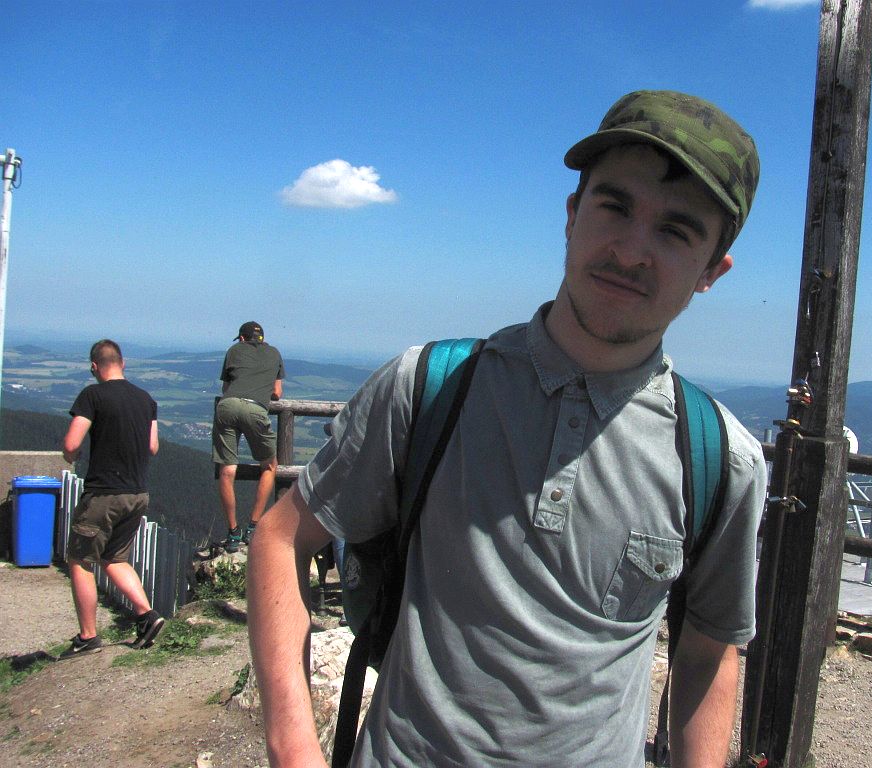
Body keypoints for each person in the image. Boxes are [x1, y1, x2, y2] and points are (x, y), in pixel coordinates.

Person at [248, 90, 767, 767]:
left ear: (711, 272)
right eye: (614, 206)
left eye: (676, 231)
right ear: (572, 215)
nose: (632, 250)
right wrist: (293, 749)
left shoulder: (720, 461)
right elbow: (283, 537)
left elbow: (709, 652)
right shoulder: (429, 387)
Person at [61, 339, 165, 656]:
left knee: (80, 560)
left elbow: (71, 444)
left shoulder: (92, 395)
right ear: (123, 363)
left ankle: (88, 636)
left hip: (103, 494)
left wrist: (72, 456)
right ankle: (147, 616)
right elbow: (152, 447)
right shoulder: (146, 399)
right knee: (114, 559)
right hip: (137, 494)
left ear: (94, 367)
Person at [213, 321, 285, 552]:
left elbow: (226, 388)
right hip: (256, 409)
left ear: (242, 338)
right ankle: (253, 527)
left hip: (227, 406)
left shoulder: (234, 350)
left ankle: (233, 532)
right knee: (269, 466)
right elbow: (277, 392)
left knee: (227, 470)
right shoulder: (274, 353)